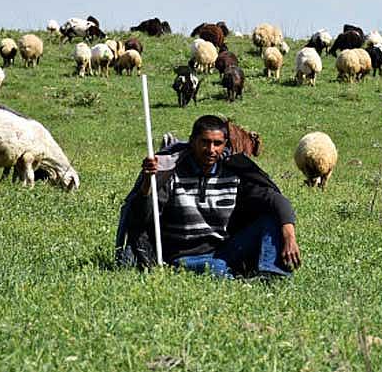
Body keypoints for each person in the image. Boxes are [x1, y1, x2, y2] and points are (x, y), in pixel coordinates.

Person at [115, 115, 301, 278]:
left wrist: (289, 235)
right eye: (204, 142)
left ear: (225, 145)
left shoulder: (233, 174)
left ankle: (271, 275)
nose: (211, 149)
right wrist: (148, 181)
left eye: (217, 143)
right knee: (216, 268)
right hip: (183, 256)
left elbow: (274, 199)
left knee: (271, 220)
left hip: (223, 250)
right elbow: (142, 216)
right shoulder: (172, 174)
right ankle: (238, 280)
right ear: (192, 141)